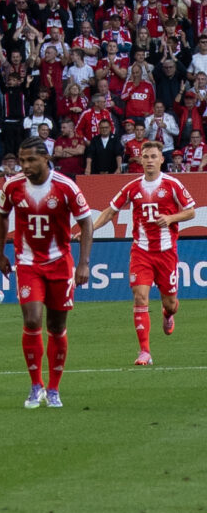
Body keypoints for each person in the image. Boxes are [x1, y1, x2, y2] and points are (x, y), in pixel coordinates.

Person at [0, 138, 93, 410]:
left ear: (45, 159)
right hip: (27, 263)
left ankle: (54, 388)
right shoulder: (13, 186)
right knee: (33, 318)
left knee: (57, 327)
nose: (24, 165)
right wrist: (0, 253)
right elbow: (1, 216)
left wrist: (83, 263)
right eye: (21, 160)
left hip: (60, 264)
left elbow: (86, 223)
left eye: (30, 160)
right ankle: (36, 384)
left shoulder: (65, 187)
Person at [87, 141, 195, 367]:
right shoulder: (132, 187)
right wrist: (90, 229)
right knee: (140, 297)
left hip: (166, 252)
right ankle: (145, 351)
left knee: (171, 302)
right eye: (145, 157)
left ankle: (168, 314)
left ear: (161, 159)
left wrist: (171, 218)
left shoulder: (173, 185)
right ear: (140, 160)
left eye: (153, 156)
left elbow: (191, 211)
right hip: (141, 251)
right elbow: (110, 211)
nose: (149, 160)